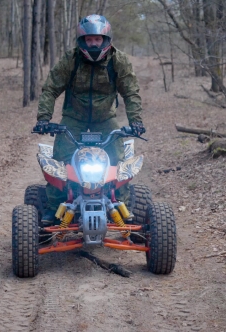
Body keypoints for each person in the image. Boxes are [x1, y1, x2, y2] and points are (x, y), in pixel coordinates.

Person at [33, 14, 145, 224]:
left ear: (106, 39)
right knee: (59, 162)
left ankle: (122, 207)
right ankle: (55, 207)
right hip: (73, 119)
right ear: (82, 41)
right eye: (89, 39)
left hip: (105, 120)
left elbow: (131, 92)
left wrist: (136, 122)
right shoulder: (71, 59)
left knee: (119, 161)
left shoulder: (118, 60)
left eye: (97, 39)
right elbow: (50, 88)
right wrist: (44, 118)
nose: (93, 43)